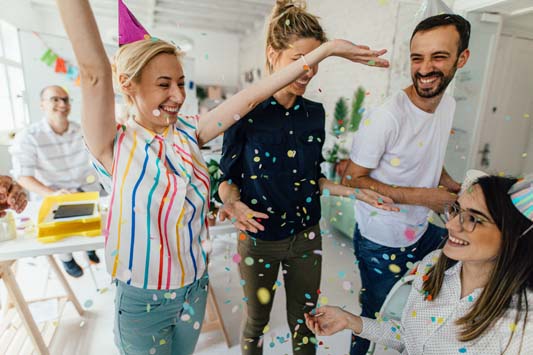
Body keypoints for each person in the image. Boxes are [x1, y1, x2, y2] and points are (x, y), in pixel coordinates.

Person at [55, 0, 389, 354]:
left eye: (182, 83)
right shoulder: (114, 145)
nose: (178, 96)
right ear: (126, 84)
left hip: (195, 289)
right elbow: (93, 73)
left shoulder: (188, 133)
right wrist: (329, 49)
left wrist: (327, 51)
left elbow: (251, 97)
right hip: (143, 298)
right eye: (165, 84)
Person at [218, 1, 395, 354]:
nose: (308, 71)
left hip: (306, 237)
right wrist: (232, 202)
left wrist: (351, 192)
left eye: (315, 62)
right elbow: (224, 178)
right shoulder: (244, 112)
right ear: (273, 54)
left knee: (306, 321)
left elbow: (311, 179)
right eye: (300, 60)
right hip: (259, 238)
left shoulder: (315, 114)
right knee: (257, 322)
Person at [340, 14, 471, 354]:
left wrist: (447, 182)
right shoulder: (386, 117)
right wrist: (426, 197)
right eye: (417, 58)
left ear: (462, 59)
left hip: (420, 230)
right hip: (380, 239)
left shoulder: (449, 104)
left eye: (438, 57)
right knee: (378, 318)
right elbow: (351, 178)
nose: (425, 68)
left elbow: (428, 151)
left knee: (434, 296)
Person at [306, 175, 533, 354]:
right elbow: (409, 336)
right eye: (456, 210)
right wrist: (350, 321)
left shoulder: (523, 325)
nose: (452, 225)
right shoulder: (433, 266)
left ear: (514, 236)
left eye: (473, 218)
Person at [9, 85, 101, 278]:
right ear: (42, 105)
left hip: (84, 188)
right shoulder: (28, 136)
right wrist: (52, 194)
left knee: (91, 231)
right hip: (50, 193)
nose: (62, 104)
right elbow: (23, 176)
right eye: (55, 99)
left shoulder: (81, 129)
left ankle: (89, 249)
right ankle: (67, 259)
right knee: (61, 238)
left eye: (66, 99)